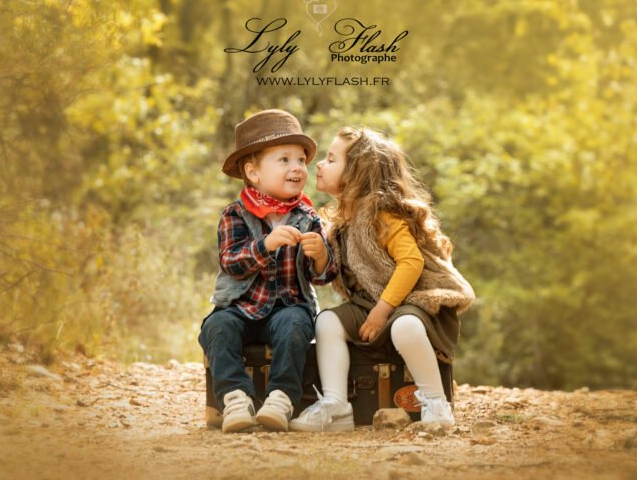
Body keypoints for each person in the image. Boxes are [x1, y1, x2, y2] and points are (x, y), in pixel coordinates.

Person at [290, 126, 475, 432]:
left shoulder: (383, 216)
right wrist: (321, 256)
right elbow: (334, 271)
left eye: (332, 159)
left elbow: (411, 263)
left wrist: (382, 310)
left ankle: (435, 402)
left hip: (413, 301)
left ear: (357, 174)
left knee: (405, 327)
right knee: (327, 322)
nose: (320, 164)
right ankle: (336, 406)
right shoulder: (340, 222)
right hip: (368, 304)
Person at [199, 109, 338, 433]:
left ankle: (281, 398)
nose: (297, 167)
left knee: (296, 325)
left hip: (288, 306)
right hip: (240, 306)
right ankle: (235, 398)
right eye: (284, 159)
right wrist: (266, 244)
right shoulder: (235, 214)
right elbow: (231, 262)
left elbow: (322, 276)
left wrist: (321, 256)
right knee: (217, 327)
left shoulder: (308, 217)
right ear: (253, 172)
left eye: (301, 160)